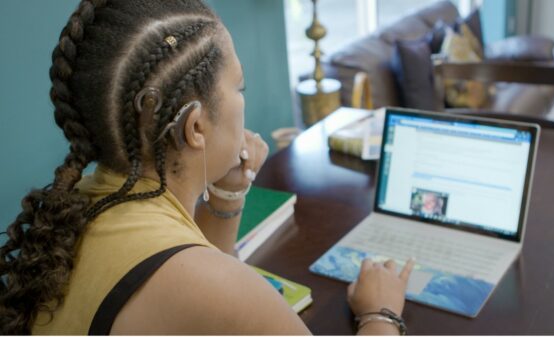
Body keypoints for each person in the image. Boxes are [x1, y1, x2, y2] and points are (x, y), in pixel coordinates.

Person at [0, 0, 414, 334]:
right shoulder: (210, 286)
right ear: (196, 126)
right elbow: (212, 286)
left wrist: (228, 192)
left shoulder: (79, 206)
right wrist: (380, 312)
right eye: (239, 86)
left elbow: (201, 277)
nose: (243, 98)